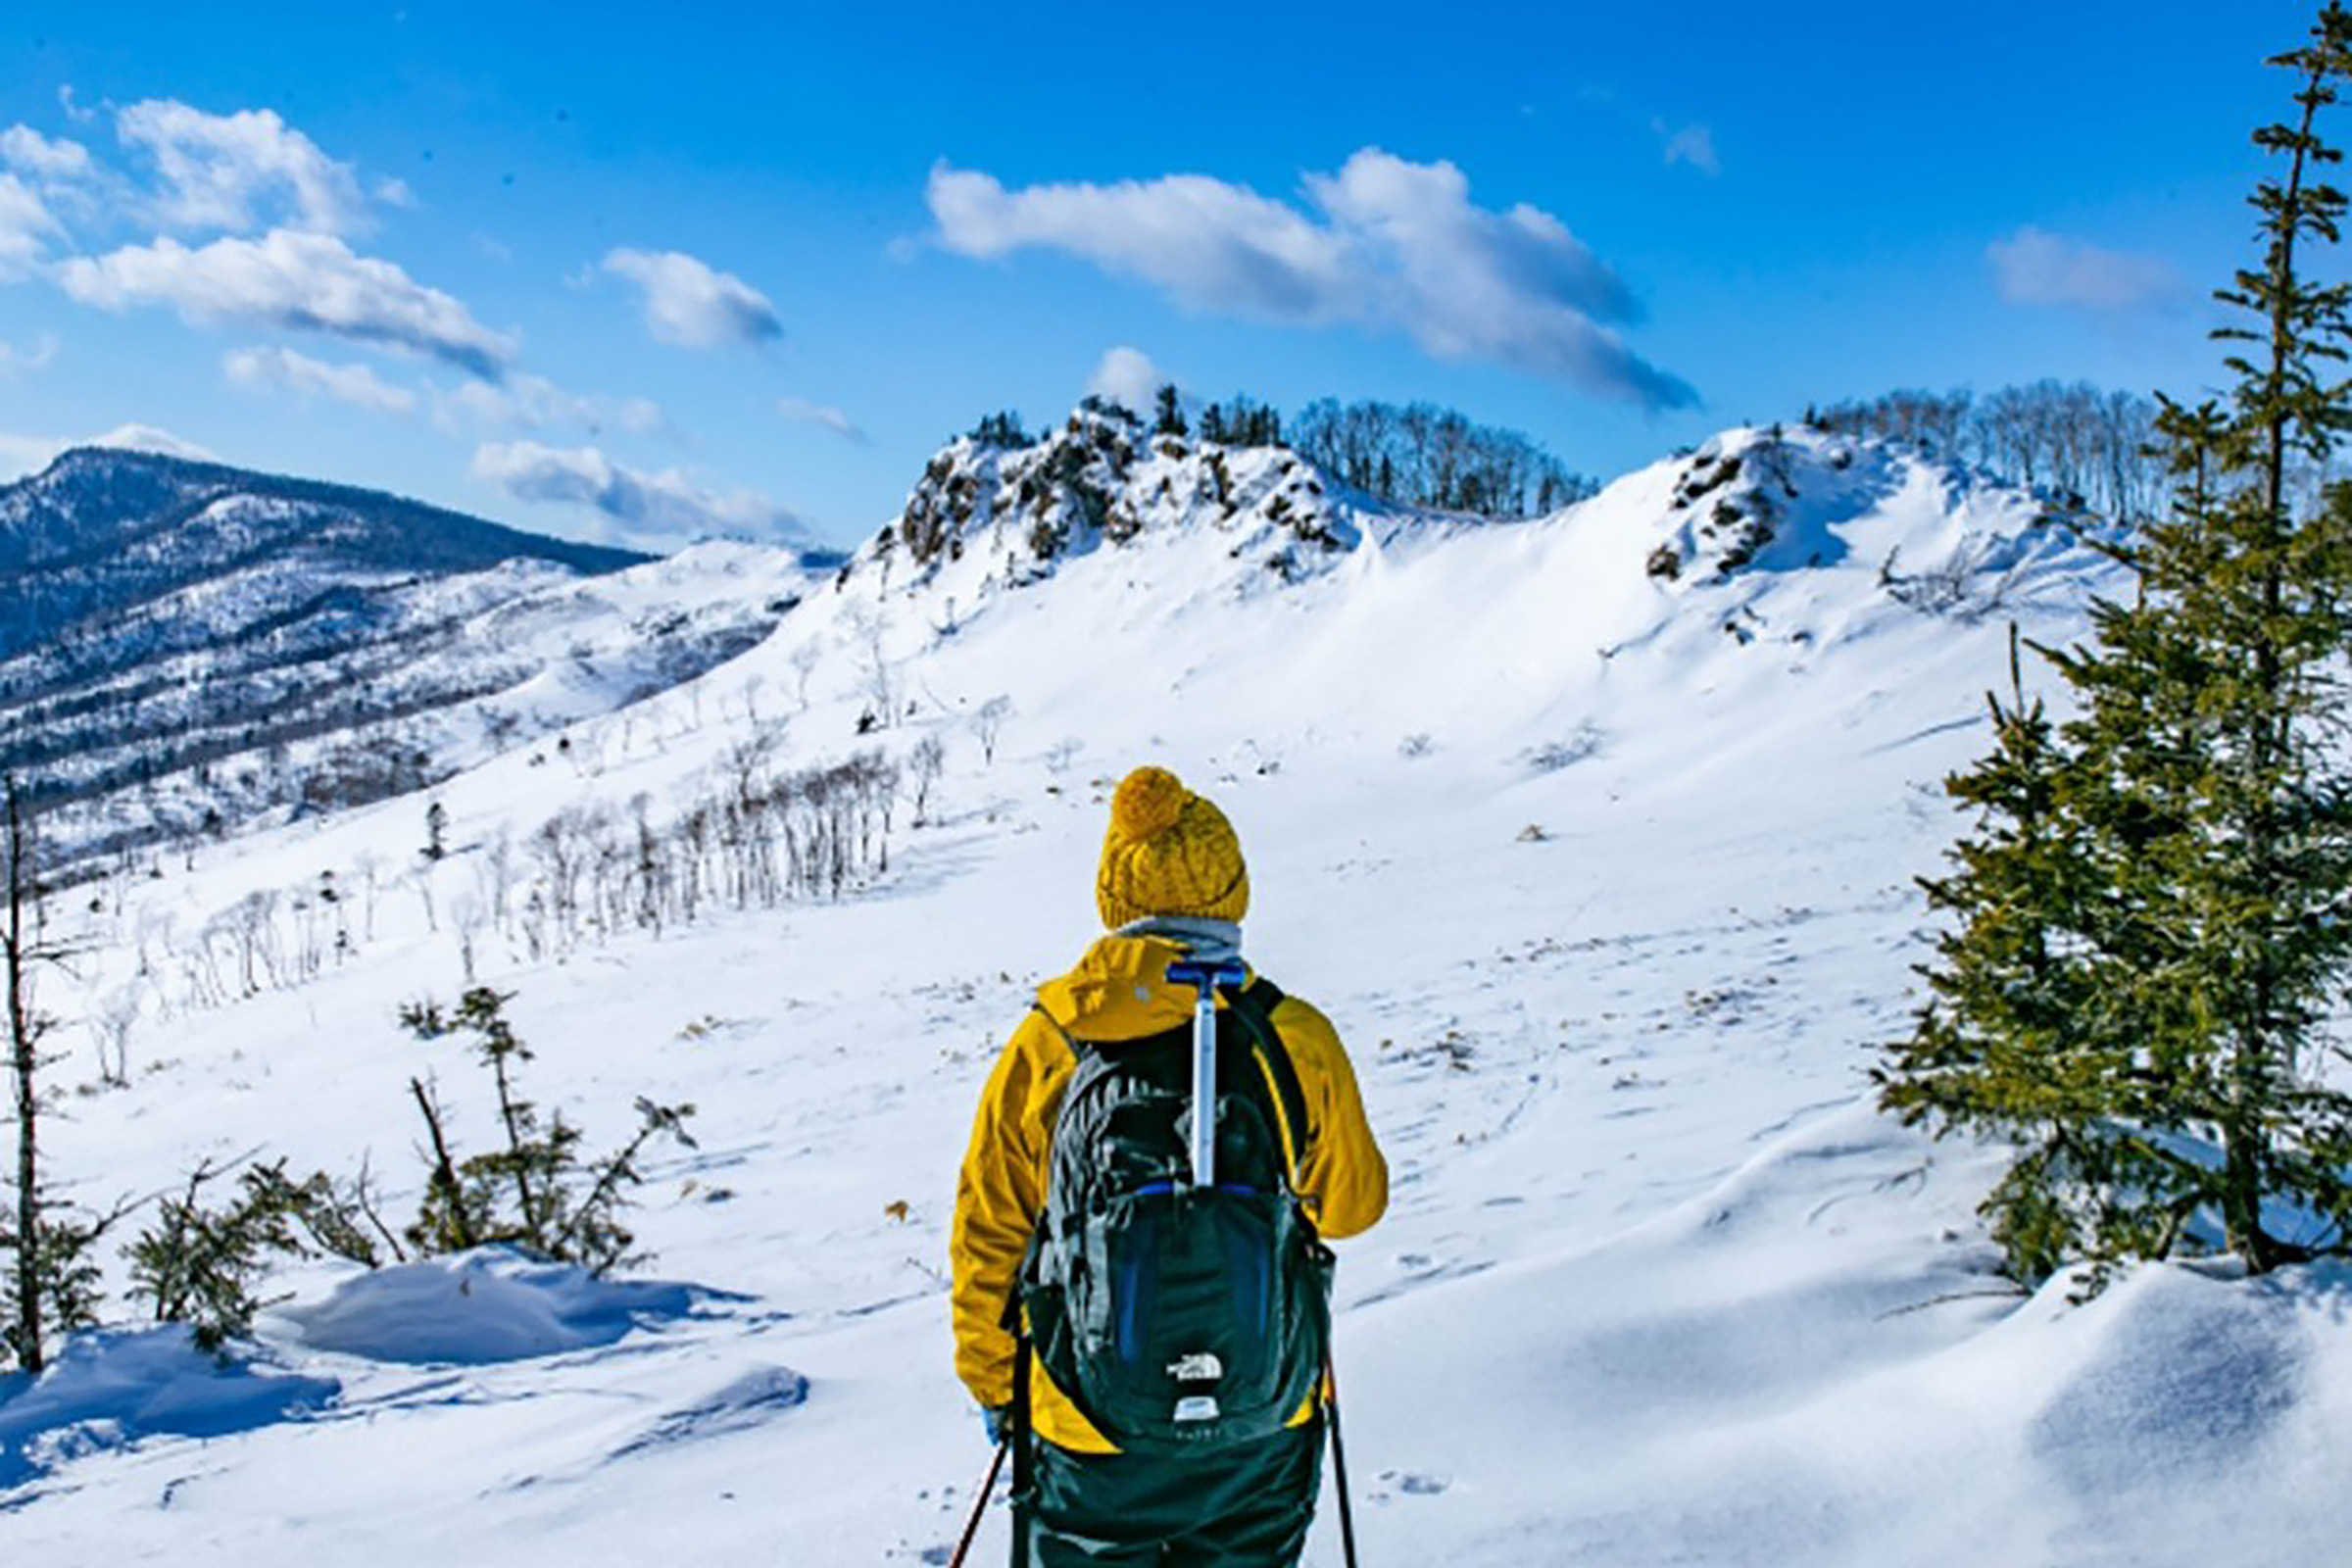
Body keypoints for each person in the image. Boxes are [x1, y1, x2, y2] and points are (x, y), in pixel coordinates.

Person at [952, 763, 1388, 1566]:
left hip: (1089, 1424)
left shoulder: (1054, 1041)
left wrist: (995, 1385)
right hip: (1264, 1415)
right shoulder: (1292, 1035)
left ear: (1115, 901)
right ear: (1231, 894)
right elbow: (1352, 1208)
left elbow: (991, 1234)